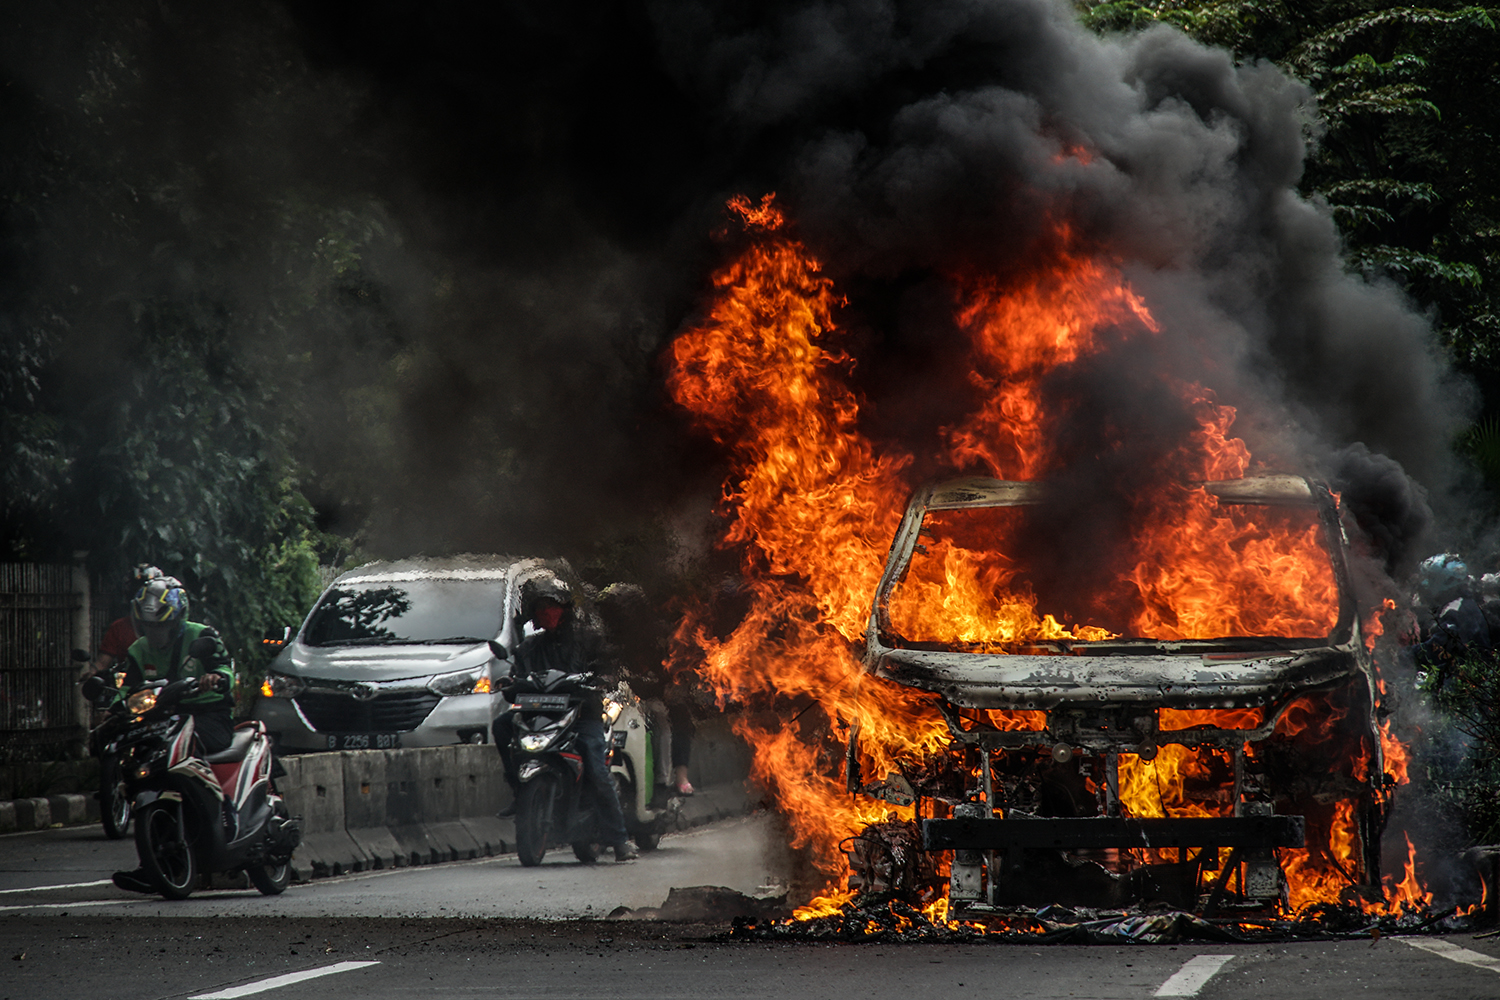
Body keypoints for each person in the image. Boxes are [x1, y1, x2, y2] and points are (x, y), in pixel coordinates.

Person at [492, 577, 639, 862]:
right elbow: (515, 684)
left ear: (565, 610)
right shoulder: (528, 649)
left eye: (552, 607)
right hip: (539, 717)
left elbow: (608, 670)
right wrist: (509, 683)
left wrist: (601, 680)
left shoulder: (589, 640)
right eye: (541, 609)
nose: (547, 613)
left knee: (597, 769)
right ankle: (517, 790)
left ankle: (619, 840)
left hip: (583, 717)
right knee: (501, 725)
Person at [111, 576, 236, 895]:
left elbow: (227, 670)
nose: (155, 633)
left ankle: (226, 807)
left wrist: (215, 679)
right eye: (149, 626)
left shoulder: (202, 636)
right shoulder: (138, 650)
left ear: (178, 620)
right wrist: (113, 702)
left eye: (161, 626)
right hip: (163, 720)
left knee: (194, 744)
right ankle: (151, 860)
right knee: (142, 768)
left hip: (208, 715)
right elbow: (126, 688)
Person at [596, 582, 697, 796]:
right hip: (616, 698)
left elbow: (674, 666)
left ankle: (670, 779)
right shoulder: (605, 635)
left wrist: (665, 686)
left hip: (653, 696)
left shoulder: (657, 634)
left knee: (667, 717)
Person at [87, 564, 163, 679]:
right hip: (129, 684)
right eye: (138, 592)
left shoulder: (171, 625)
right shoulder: (119, 627)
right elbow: (103, 662)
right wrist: (92, 672)